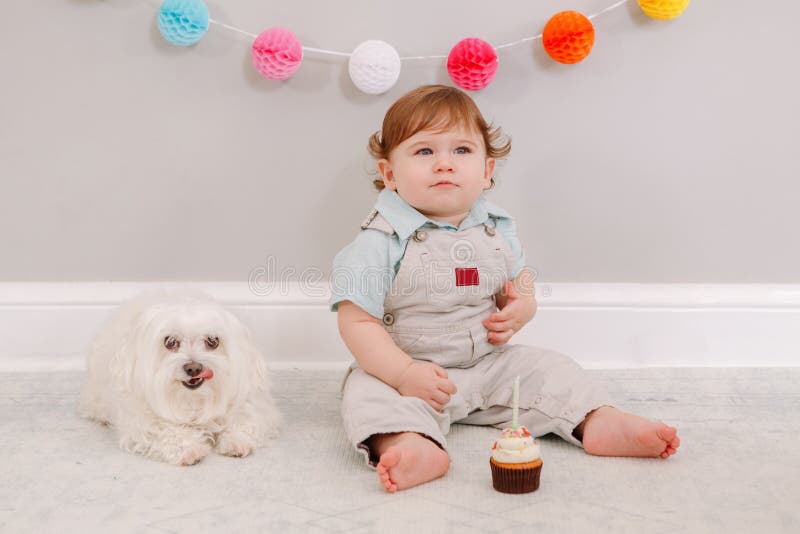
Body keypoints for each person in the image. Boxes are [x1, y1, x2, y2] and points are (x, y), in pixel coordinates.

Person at [329, 84, 680, 493]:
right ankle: (413, 442)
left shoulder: (496, 228)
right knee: (364, 394)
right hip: (407, 369)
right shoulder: (378, 240)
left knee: (549, 369)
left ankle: (598, 420)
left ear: (487, 170)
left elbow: (518, 280)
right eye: (425, 152)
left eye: (461, 151)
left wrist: (523, 305)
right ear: (389, 173)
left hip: (488, 366)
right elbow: (356, 323)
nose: (444, 164)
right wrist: (404, 373)